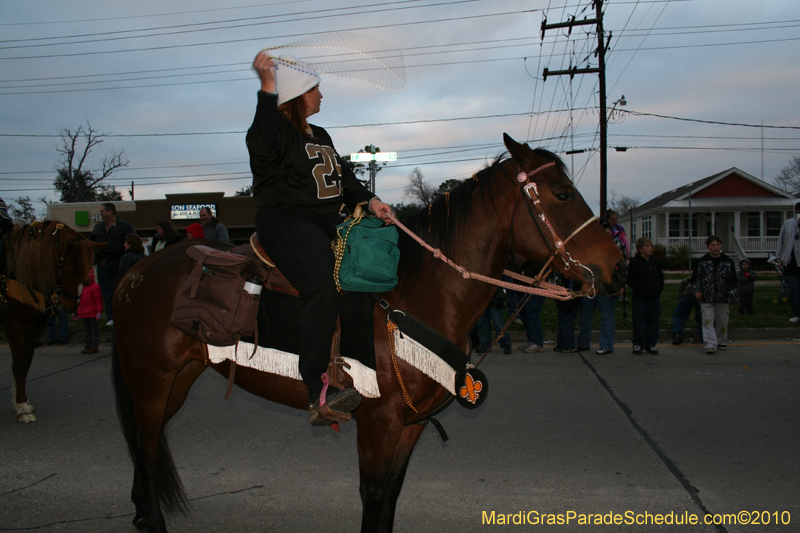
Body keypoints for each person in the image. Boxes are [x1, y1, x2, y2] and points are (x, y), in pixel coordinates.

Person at [249, 51, 393, 426]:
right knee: (323, 286)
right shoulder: (275, 129)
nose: (321, 97)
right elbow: (262, 134)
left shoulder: (322, 134)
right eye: (316, 90)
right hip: (285, 222)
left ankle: (360, 370)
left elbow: (344, 178)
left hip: (324, 225)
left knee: (362, 280)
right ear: (298, 94)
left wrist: (371, 200)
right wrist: (268, 86)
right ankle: (317, 388)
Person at [578, 219, 624, 354]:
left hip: (608, 286)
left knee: (607, 316)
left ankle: (606, 345)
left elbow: (622, 266)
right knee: (585, 315)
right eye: (602, 228)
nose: (606, 231)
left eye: (607, 228)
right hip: (590, 284)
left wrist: (620, 285)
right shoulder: (587, 245)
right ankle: (583, 343)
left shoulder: (616, 244)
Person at [89, 202, 136, 327]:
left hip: (118, 263)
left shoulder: (125, 226)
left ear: (110, 211)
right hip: (103, 264)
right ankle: (111, 317)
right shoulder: (98, 227)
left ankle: (123, 315)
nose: (100, 213)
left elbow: (133, 241)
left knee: (120, 290)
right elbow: (91, 243)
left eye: (102, 211)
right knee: (106, 291)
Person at [692, 235, 737, 354]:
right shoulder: (702, 262)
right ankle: (710, 344)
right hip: (706, 296)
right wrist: (697, 290)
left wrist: (732, 295)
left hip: (723, 296)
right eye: (713, 245)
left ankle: (721, 341)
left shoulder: (728, 262)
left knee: (722, 320)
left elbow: (733, 280)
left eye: (718, 245)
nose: (716, 247)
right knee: (707, 320)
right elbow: (696, 278)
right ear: (708, 247)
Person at [626, 237, 664, 355]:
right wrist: (641, 290)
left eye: (650, 246)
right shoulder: (635, 263)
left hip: (654, 297)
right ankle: (638, 343)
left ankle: (651, 344)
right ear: (640, 249)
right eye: (647, 246)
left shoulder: (655, 262)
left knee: (653, 320)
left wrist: (658, 289)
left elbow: (660, 278)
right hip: (640, 298)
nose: (650, 248)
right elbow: (630, 280)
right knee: (639, 320)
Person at [775, 201, 800, 323]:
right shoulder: (788, 224)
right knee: (794, 290)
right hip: (790, 262)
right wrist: (779, 258)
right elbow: (781, 241)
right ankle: (796, 313)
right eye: (798, 209)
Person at [475, 288, 513, 355]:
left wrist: (499, 299)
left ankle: (506, 344)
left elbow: (498, 287)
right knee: (483, 324)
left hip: (494, 301)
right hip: (482, 302)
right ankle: (485, 345)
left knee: (499, 324)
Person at [75, 269, 103, 354]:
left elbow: (98, 300)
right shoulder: (83, 287)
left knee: (93, 331)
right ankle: (87, 345)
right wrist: (77, 312)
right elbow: (81, 302)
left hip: (92, 313)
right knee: (87, 331)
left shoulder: (95, 287)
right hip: (84, 313)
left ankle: (94, 346)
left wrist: (99, 312)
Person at [671, 276, 702, 345]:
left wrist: (681, 294)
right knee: (701, 316)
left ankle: (677, 334)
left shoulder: (697, 274)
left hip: (688, 294)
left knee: (679, 315)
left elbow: (684, 282)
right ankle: (702, 335)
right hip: (701, 295)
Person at [553, 275, 581, 353]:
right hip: (562, 302)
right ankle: (561, 344)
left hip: (571, 302)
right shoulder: (560, 278)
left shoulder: (574, 279)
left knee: (567, 324)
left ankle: (569, 345)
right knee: (561, 324)